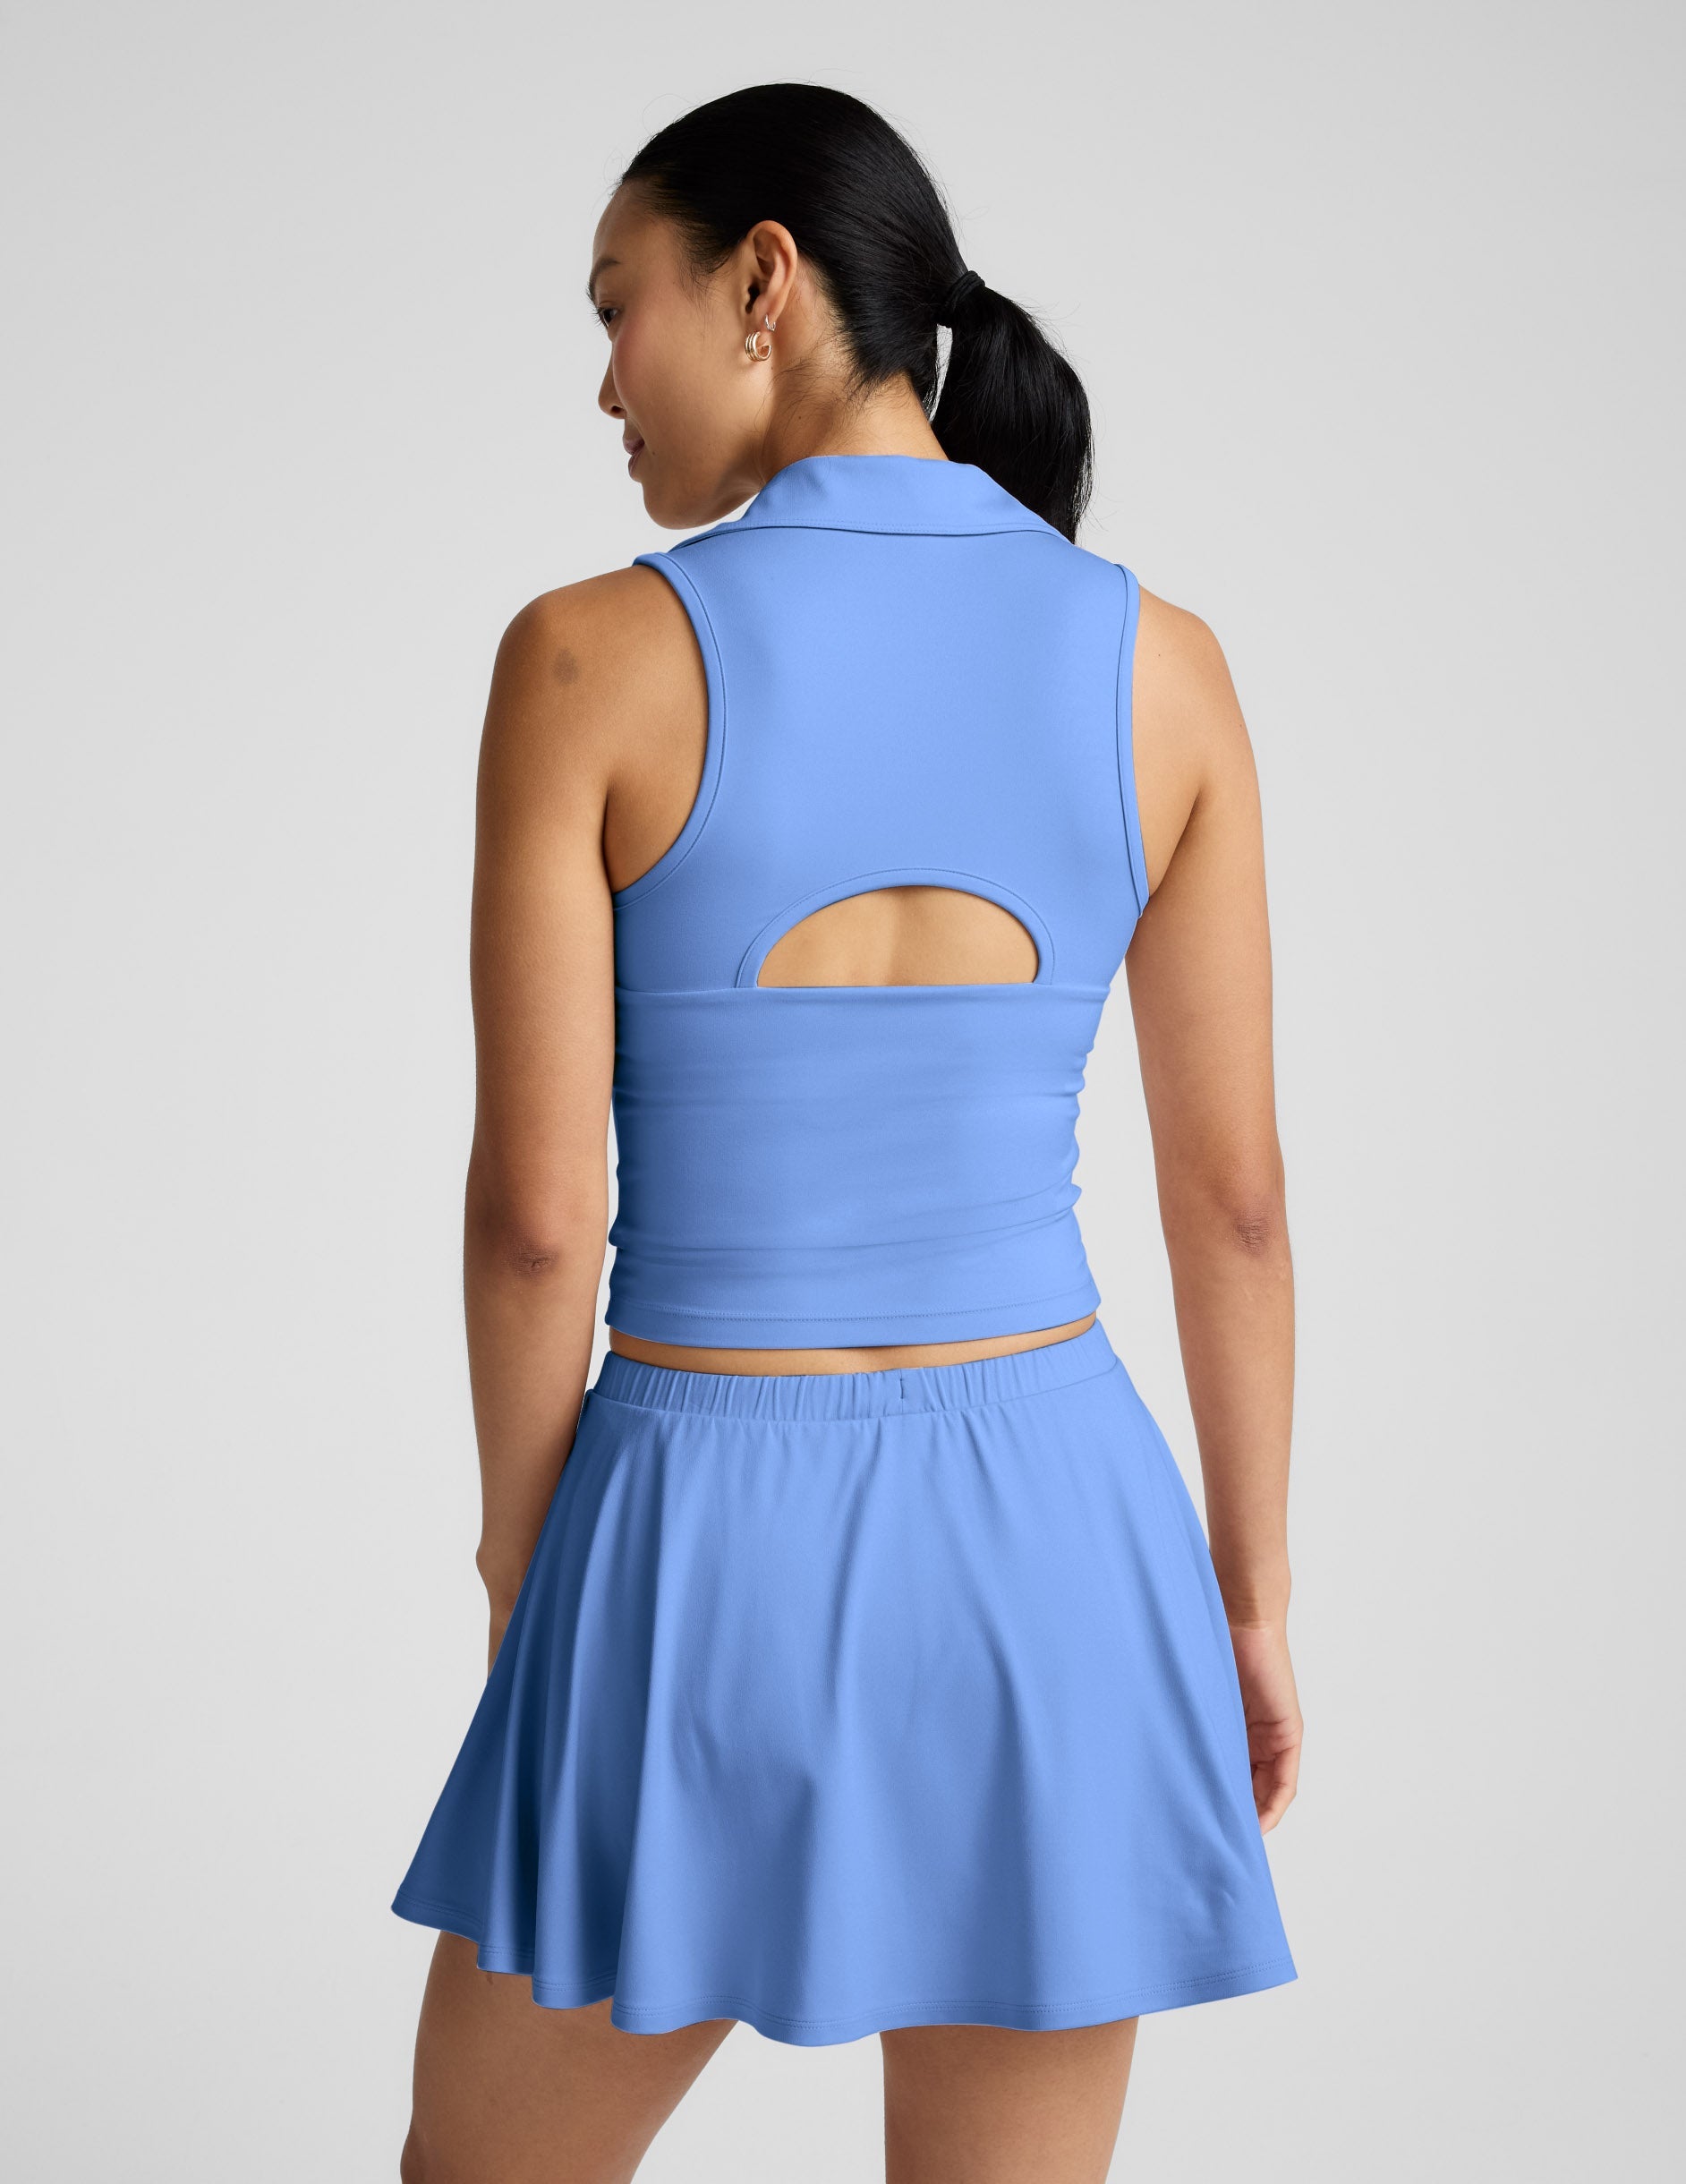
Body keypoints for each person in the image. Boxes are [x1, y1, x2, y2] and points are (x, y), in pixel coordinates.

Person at [392, 81, 1300, 2184]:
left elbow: (538, 1217)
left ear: (764, 283)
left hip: (696, 1515)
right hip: (1059, 1538)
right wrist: (1247, 1600)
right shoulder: (1163, 667)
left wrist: (532, 1569)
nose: (603, 377)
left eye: (617, 304)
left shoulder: (584, 658)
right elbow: (1236, 1204)